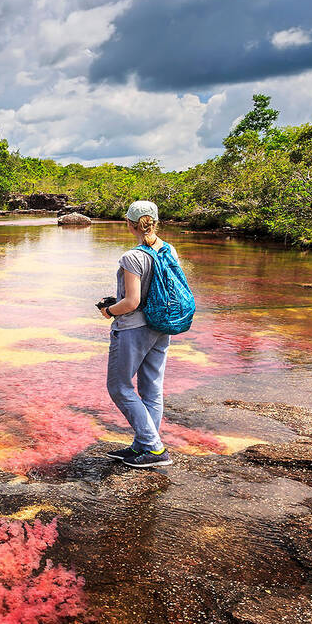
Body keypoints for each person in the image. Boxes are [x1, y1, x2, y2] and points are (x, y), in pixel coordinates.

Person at [99, 200, 175, 468]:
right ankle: (143, 446)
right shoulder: (168, 250)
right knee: (151, 388)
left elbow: (131, 303)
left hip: (133, 328)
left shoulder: (132, 257)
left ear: (129, 224)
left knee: (119, 387)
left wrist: (109, 310)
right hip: (161, 325)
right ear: (154, 221)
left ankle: (154, 448)